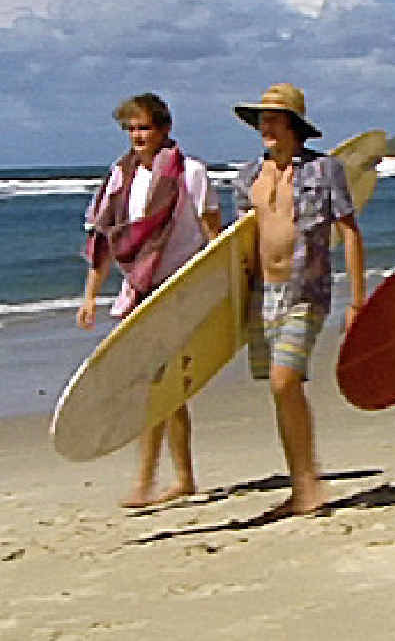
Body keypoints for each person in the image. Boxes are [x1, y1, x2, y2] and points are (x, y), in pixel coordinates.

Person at [77, 93, 221, 508]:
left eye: (145, 127)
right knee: (165, 389)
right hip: (138, 293)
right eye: (131, 129)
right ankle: (185, 479)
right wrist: (90, 296)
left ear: (164, 128)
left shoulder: (190, 173)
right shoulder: (120, 176)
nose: (138, 135)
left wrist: (224, 288)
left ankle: (145, 482)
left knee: (157, 386)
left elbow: (215, 234)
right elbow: (104, 238)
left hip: (181, 290)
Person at [232, 83, 366, 516]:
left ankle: (308, 486)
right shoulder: (248, 176)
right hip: (261, 296)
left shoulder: (324, 171)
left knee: (283, 381)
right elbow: (238, 245)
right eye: (261, 120)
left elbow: (349, 232)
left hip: (306, 291)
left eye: (272, 119)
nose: (264, 127)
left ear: (293, 125)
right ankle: (301, 483)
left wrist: (358, 300)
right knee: (280, 390)